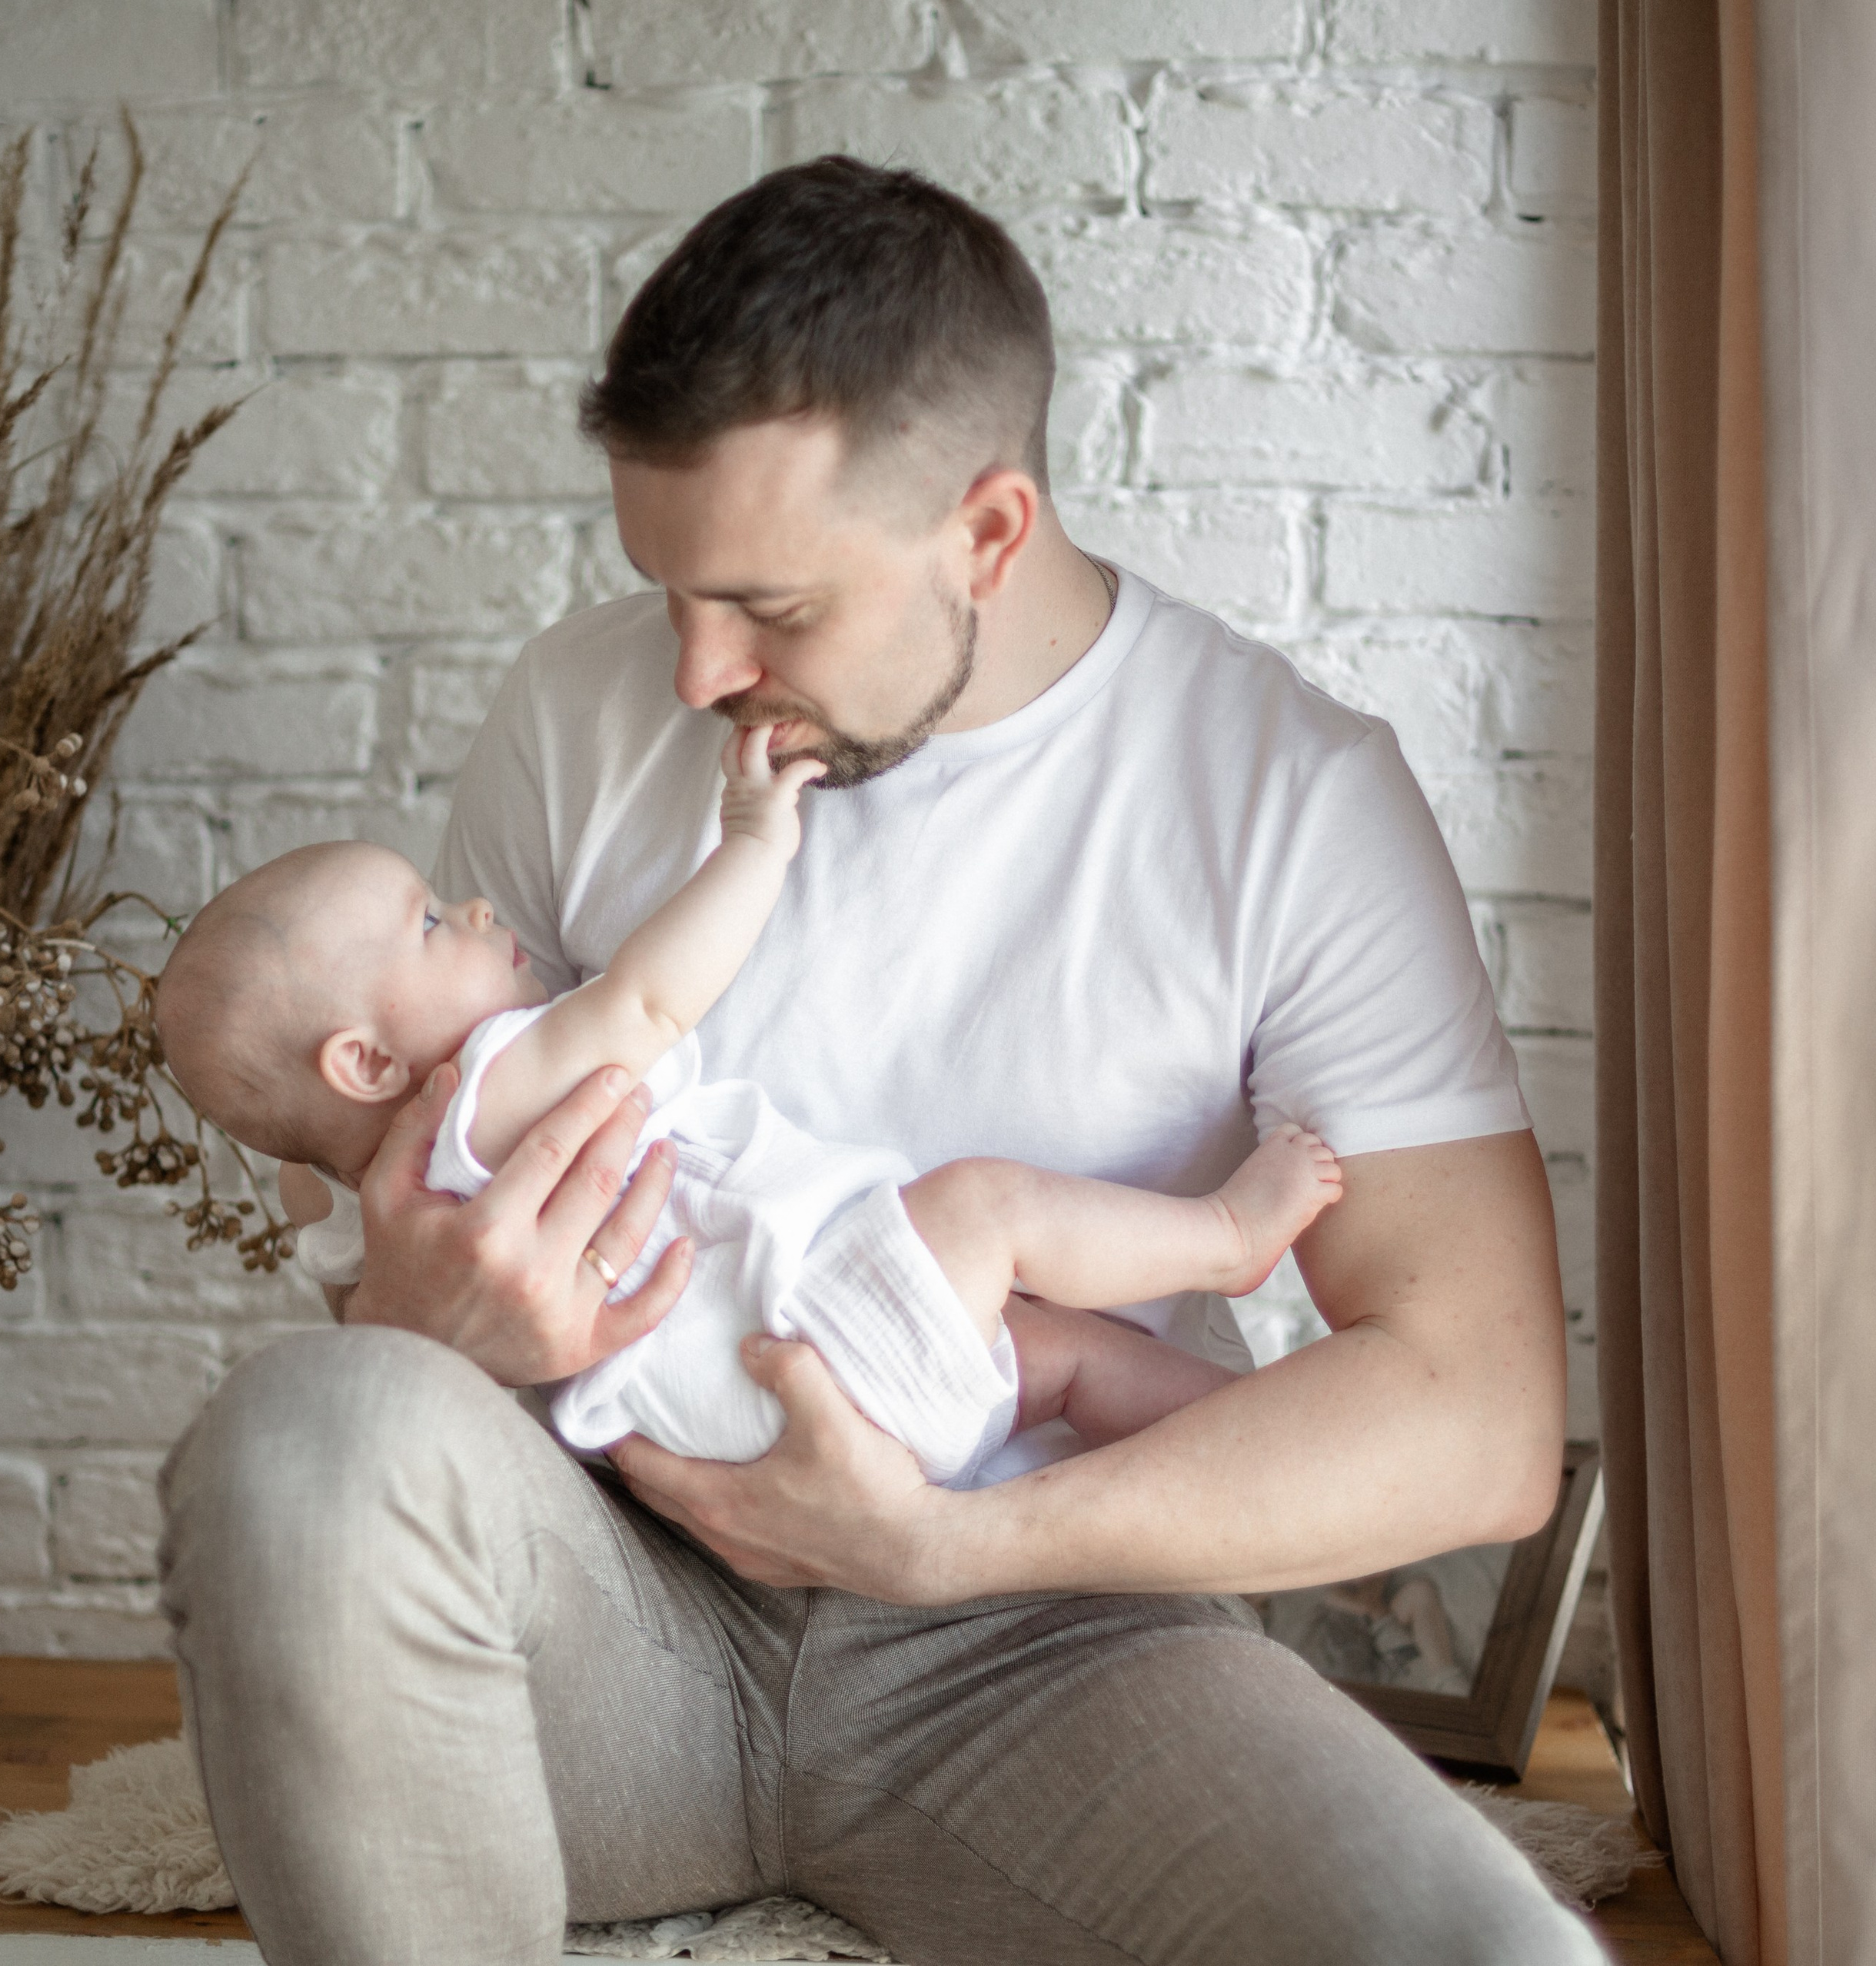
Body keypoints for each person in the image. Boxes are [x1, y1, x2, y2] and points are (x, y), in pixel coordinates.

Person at [158, 158, 1601, 1964]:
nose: (693, 671)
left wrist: (936, 1547)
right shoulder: (578, 711)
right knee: (301, 1427)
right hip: (620, 1603)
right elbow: (412, 1171)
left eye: (765, 606)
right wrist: (426, 1320)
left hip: (1040, 1645)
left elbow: (1470, 1426)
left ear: (984, 532)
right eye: (664, 586)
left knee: (1485, 1947)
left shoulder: (1287, 798)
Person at [152, 737, 1341, 1486]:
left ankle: (1270, 1446)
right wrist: (756, 843)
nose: (469, 907)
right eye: (424, 922)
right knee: (989, 1210)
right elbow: (653, 999)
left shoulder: (370, 1221)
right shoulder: (481, 1090)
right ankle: (1231, 1247)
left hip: (741, 1427)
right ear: (364, 1063)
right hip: (806, 1336)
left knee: (1069, 1361)